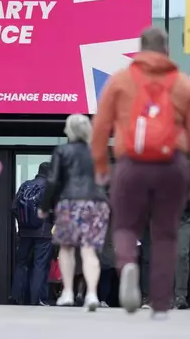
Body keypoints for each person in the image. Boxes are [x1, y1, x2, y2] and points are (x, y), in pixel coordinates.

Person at [91, 26, 190, 318]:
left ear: (139, 50)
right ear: (167, 50)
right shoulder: (184, 84)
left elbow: (100, 128)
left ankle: (128, 264)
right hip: (172, 167)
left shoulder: (119, 81)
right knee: (166, 233)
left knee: (126, 226)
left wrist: (102, 168)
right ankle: (159, 301)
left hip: (130, 165)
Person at [38, 114, 109, 311]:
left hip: (70, 203)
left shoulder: (62, 150)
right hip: (95, 204)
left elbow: (52, 181)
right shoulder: (98, 151)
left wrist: (44, 207)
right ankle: (92, 294)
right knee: (89, 250)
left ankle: (68, 292)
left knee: (67, 249)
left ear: (69, 130)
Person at [10, 162, 53, 306]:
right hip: (43, 232)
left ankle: (16, 296)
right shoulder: (49, 186)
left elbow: (14, 207)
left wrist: (23, 223)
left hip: (24, 232)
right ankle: (37, 299)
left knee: (21, 264)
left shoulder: (25, 185)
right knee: (40, 264)